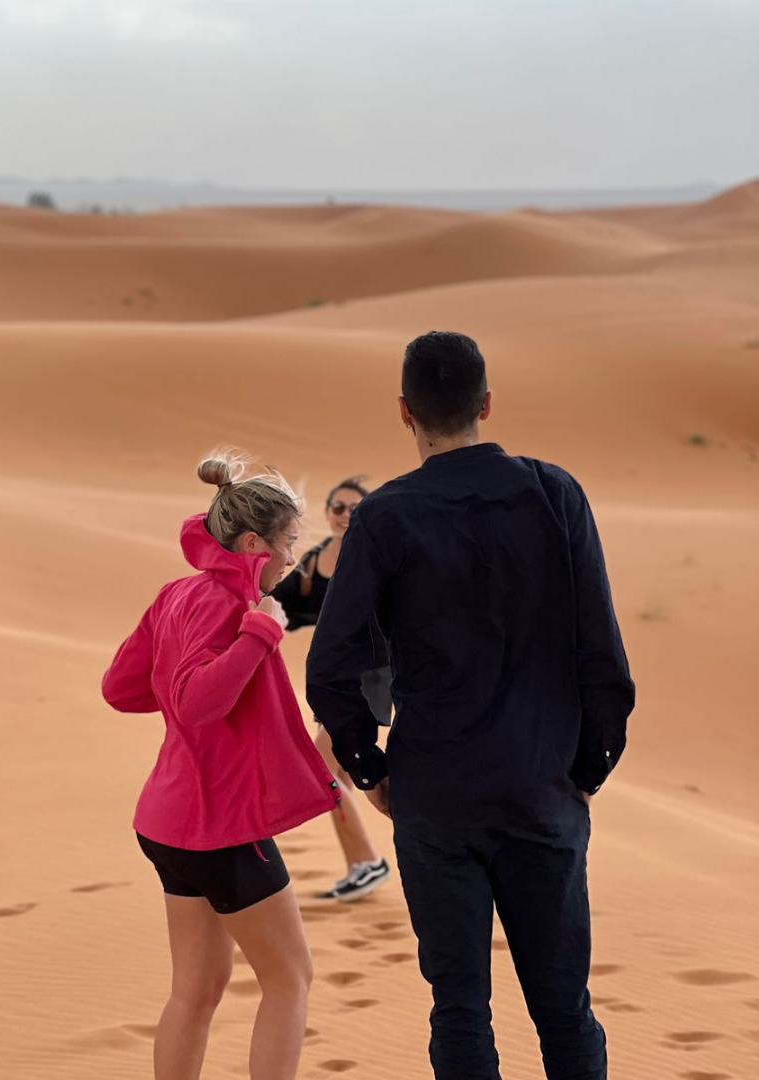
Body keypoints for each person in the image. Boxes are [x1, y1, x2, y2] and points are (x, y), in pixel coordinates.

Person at [306, 332, 635, 1080]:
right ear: (486, 404)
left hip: (435, 797)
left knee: (459, 1009)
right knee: (564, 1007)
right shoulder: (555, 494)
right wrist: (586, 770)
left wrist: (370, 770)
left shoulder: (384, 517)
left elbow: (330, 666)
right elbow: (604, 656)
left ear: (404, 411)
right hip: (541, 789)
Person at [102, 451, 339, 1080]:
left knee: (198, 987)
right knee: (290, 978)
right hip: (220, 827)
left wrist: (188, 693)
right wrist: (259, 635)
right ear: (255, 543)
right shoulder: (234, 606)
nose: (293, 559)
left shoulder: (177, 593)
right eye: (290, 543)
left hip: (168, 821)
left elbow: (120, 688)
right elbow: (196, 701)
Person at [270, 477, 392, 901]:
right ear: (327, 512)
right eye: (338, 507)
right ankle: (363, 863)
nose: (345, 514)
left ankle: (370, 861)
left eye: (355, 508)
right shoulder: (314, 560)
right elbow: (279, 603)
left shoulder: (376, 555)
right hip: (331, 680)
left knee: (321, 771)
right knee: (335, 774)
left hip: (369, 678)